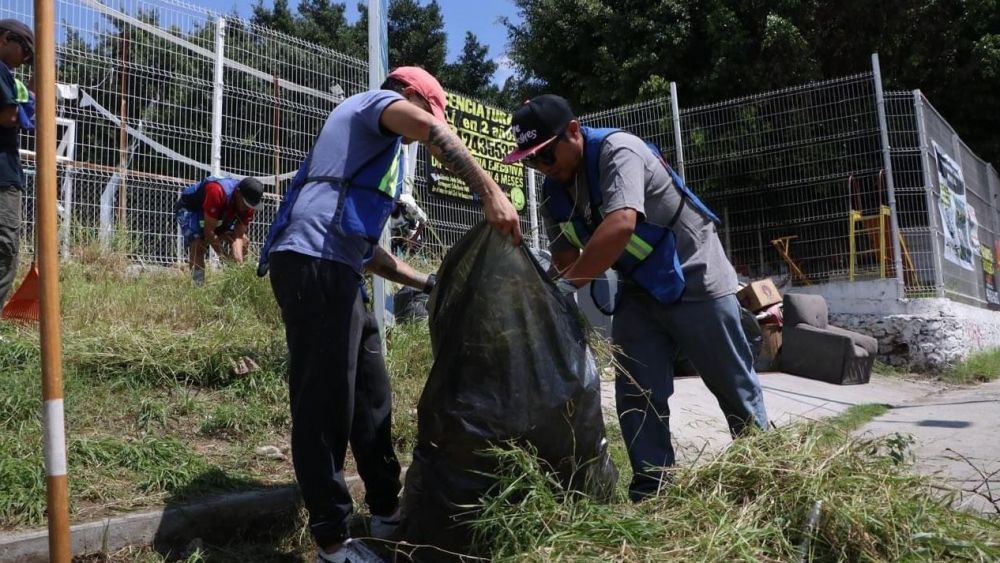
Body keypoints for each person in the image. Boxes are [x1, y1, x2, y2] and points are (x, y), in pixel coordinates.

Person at [257, 66, 520, 563]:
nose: (423, 131)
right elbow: (434, 131)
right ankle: (333, 541)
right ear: (410, 97)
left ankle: (383, 509)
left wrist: (428, 283)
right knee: (325, 401)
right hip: (312, 263)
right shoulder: (370, 105)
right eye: (426, 112)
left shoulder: (373, 157)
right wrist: (490, 192)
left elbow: (369, 253)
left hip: (340, 267)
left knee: (371, 394)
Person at [504, 94, 768, 502]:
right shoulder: (553, 189)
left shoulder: (618, 150)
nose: (541, 166)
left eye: (546, 154)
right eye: (531, 160)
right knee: (636, 392)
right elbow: (564, 257)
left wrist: (565, 287)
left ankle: (767, 477)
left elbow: (622, 224)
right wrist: (542, 297)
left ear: (573, 131)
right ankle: (653, 490)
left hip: (695, 274)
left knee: (732, 385)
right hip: (640, 288)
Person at [174, 175, 263, 285]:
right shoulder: (217, 190)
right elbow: (209, 232)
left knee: (244, 241)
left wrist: (238, 261)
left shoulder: (249, 206)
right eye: (246, 204)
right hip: (192, 207)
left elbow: (238, 236)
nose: (248, 208)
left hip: (219, 211)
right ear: (238, 193)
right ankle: (198, 286)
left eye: (251, 205)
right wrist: (223, 257)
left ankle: (235, 283)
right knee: (199, 243)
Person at [0, 19, 33, 306]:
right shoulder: (1, 71)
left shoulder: (9, 76)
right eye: (25, 51)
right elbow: (8, 116)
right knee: (5, 252)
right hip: (3, 178)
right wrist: (22, 108)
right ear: (5, 40)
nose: (26, 61)